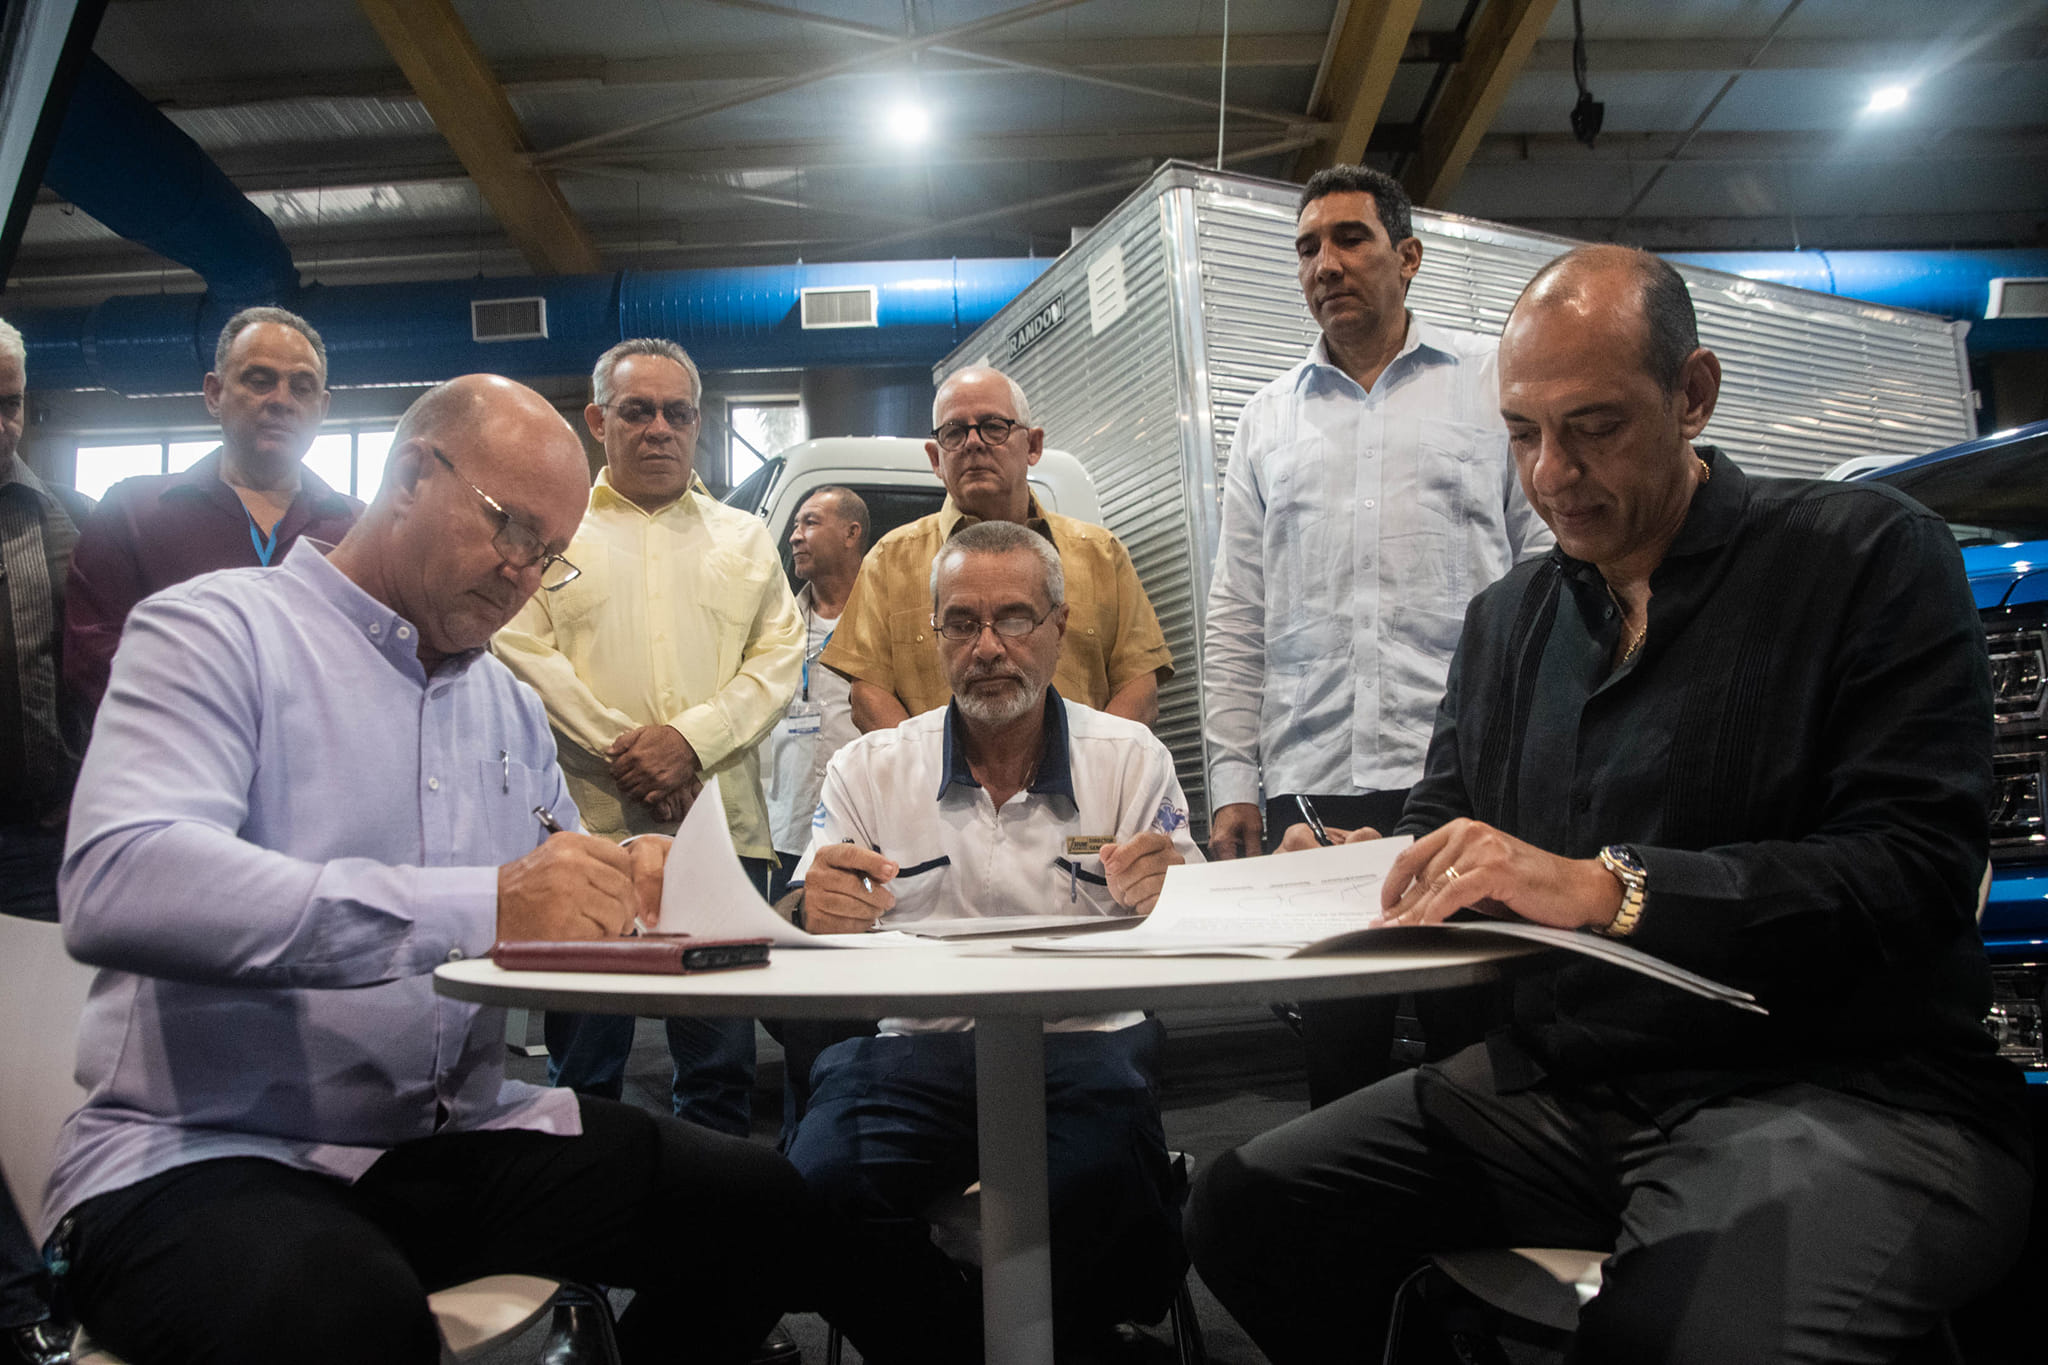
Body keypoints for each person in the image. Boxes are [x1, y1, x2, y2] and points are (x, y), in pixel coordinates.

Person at [1186, 245, 2032, 1363]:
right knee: (1246, 1207)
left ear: (1692, 394)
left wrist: (1610, 889)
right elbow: (1443, 815)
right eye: (1522, 434)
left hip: (1843, 1085)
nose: (1549, 475)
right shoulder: (1508, 620)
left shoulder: (1862, 558)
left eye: (1592, 428)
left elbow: (1908, 871)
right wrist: (1352, 859)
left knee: (1682, 1339)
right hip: (1576, 1081)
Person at [42, 374, 820, 1365]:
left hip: (448, 1139)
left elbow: (530, 919)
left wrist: (632, 896)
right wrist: (489, 903)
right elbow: (124, 883)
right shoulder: (214, 633)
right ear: (411, 472)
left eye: (548, 557)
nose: (521, 575)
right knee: (344, 1322)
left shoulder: (499, 702)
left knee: (768, 1206)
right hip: (213, 1150)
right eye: (510, 529)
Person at [784, 520, 1195, 1364]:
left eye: (1014, 618)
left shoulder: (1131, 760)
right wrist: (807, 907)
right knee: (811, 1189)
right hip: (914, 1055)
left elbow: (1201, 916)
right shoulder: (868, 769)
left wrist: (1177, 894)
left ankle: (1069, 1334)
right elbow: (801, 904)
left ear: (1059, 626)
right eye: (962, 622)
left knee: (1104, 1191)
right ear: (934, 634)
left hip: (1085, 1044)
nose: (988, 646)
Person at [1201, 164, 1551, 1104]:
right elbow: (1237, 605)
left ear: (1409, 257)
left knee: (1478, 1043)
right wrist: (1234, 777)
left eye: (1350, 238)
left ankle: (1475, 1239)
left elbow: (1547, 571)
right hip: (1310, 781)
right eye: (1308, 246)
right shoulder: (1267, 420)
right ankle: (1350, 1246)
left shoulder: (1491, 386)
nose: (1326, 262)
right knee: (1339, 1056)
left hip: (1465, 773)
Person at [494, 337, 803, 1137]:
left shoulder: (743, 539)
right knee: (586, 1077)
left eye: (676, 412)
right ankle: (589, 1260)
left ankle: (714, 1251)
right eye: (637, 410)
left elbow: (777, 658)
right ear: (599, 419)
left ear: (698, 422)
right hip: (590, 843)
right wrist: (630, 751)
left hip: (720, 842)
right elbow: (521, 649)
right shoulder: (553, 536)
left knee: (720, 1072)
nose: (658, 427)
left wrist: (690, 744)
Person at [821, 365, 1172, 732]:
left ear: (1033, 445)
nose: (973, 442)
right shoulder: (887, 563)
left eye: (993, 427)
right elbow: (868, 699)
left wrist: (1088, 773)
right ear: (935, 459)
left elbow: (1139, 688)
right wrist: (933, 781)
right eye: (954, 432)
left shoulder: (1102, 556)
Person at [63, 306, 360, 714]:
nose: (282, 400)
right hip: (174, 765)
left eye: (302, 387)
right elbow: (93, 655)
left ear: (323, 408)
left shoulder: (360, 530)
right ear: (214, 394)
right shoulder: (130, 514)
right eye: (260, 381)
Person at [0, 316, 90, 1365]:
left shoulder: (52, 519)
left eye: (12, 400)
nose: (2, 421)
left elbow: (87, 689)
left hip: (29, 840)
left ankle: (34, 1290)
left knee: (33, 1078)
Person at [759, 486, 871, 1151]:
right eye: (794, 524)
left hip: (858, 839)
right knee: (795, 1005)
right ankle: (800, 1139)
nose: (796, 535)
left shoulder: (886, 612)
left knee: (854, 1005)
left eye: (811, 521)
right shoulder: (779, 621)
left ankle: (847, 1125)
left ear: (852, 533)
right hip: (785, 831)